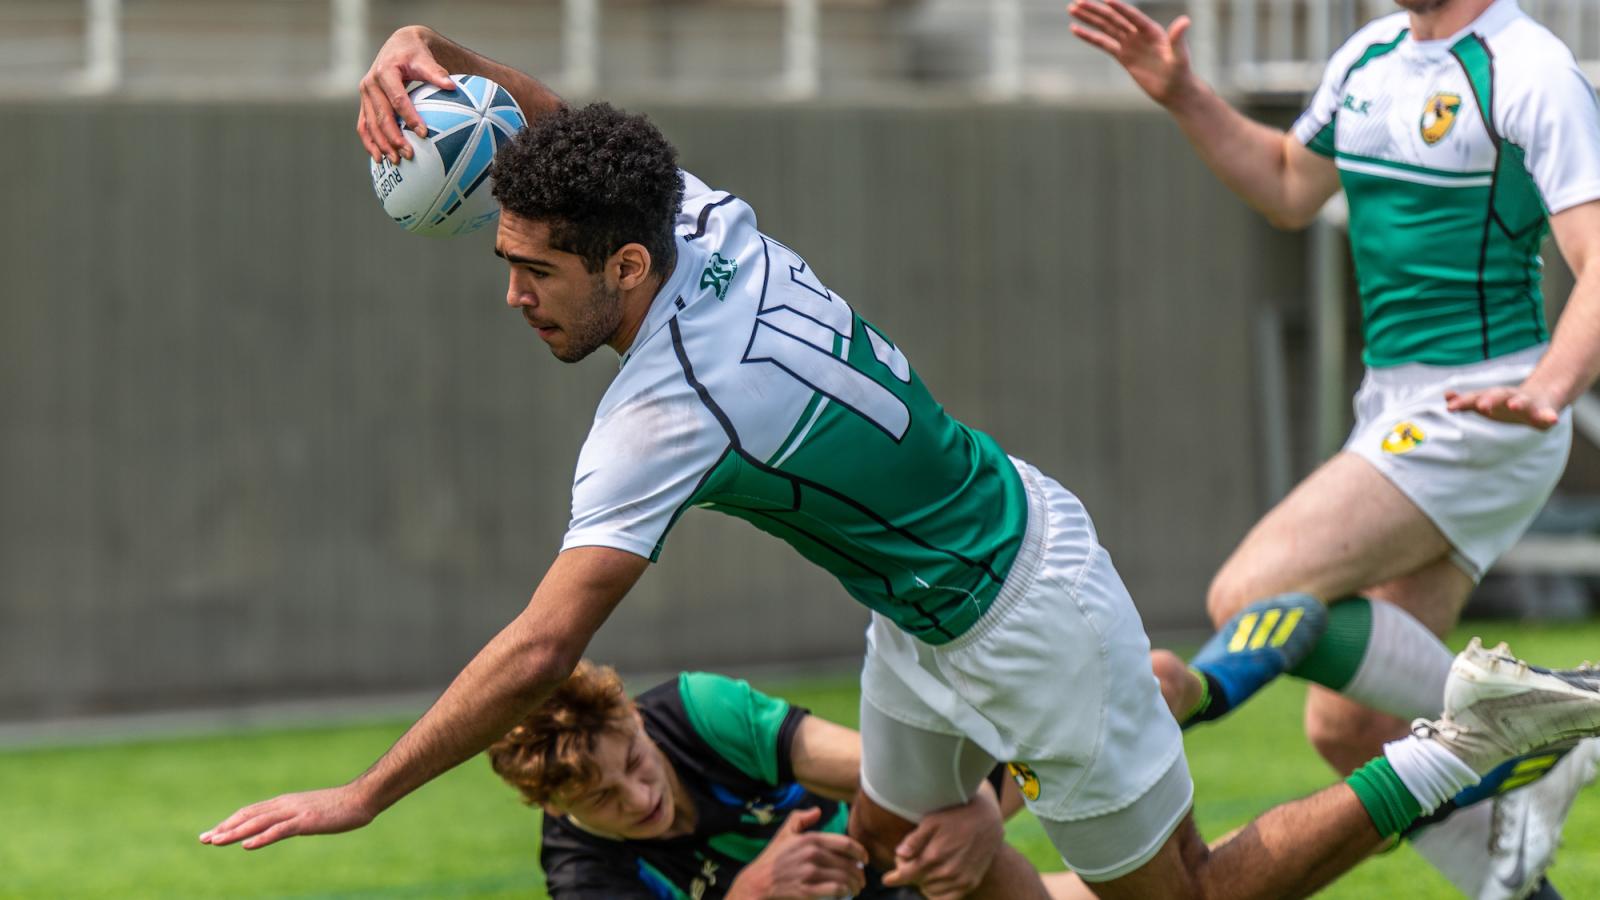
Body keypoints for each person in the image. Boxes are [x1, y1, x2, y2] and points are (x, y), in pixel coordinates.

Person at [200, 26, 1600, 898]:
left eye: (532, 272)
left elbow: (540, 642)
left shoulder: (669, 411)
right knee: (884, 837)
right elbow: (571, 134)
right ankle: (1152, 712)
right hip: (932, 605)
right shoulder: (692, 214)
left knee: (1187, 898)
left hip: (1020, 609)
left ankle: (1466, 746)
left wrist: (363, 795)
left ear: (623, 265)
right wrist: (433, 45)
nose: (512, 296)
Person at [1068, 0, 1600, 894]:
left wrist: (1550, 385)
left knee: (1251, 591)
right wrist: (1184, 93)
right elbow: (1285, 183)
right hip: (1398, 406)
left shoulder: (1527, 67)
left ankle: (1533, 714)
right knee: (1349, 730)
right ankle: (1521, 857)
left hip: (1482, 410)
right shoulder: (1369, 56)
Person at [489, 659, 1057, 899]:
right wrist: (752, 894)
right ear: (558, 806)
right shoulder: (583, 874)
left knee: (919, 826)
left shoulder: (701, 711)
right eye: (600, 797)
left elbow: (887, 773)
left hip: (893, 862)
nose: (640, 798)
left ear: (634, 717)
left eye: (636, 763)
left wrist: (979, 798)